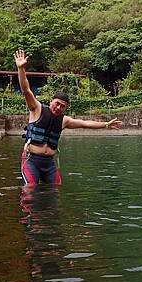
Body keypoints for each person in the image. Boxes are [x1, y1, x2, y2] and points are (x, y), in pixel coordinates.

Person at [14, 49, 122, 185]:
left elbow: (85, 124)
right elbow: (26, 89)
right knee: (30, 189)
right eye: (57, 104)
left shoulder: (64, 120)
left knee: (55, 191)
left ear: (66, 108)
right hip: (32, 160)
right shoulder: (36, 108)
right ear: (51, 101)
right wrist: (21, 68)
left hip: (49, 163)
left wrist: (106, 125)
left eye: (62, 106)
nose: (58, 107)